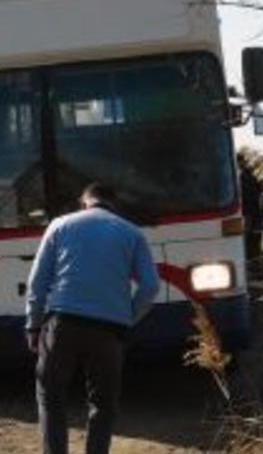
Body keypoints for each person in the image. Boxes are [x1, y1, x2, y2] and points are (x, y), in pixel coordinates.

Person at [26, 183, 160, 454]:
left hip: (62, 325)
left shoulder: (59, 226)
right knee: (103, 403)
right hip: (109, 331)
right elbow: (150, 286)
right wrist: (127, 318)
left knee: (50, 396)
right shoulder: (131, 233)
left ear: (84, 202)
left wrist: (33, 325)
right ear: (113, 204)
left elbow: (37, 283)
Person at [237, 152, 263, 274]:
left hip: (247, 213)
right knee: (254, 240)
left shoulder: (242, 175)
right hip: (255, 211)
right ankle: (255, 265)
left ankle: (251, 266)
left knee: (248, 240)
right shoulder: (255, 174)